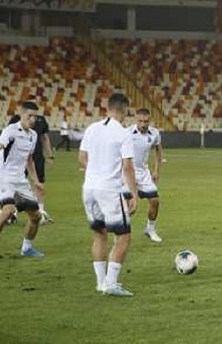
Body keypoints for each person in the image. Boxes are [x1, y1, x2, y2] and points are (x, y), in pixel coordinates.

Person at [79, 93, 138, 296]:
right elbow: (128, 167)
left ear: (108, 107)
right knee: (123, 236)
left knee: (100, 234)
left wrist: (96, 173)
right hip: (109, 190)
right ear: (125, 109)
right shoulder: (123, 133)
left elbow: (81, 158)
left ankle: (100, 283)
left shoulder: (92, 128)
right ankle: (111, 284)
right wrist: (134, 194)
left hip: (89, 189)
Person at [0, 101, 46, 262]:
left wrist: (36, 181)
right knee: (8, 211)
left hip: (21, 181)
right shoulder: (10, 131)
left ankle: (26, 248)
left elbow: (29, 160)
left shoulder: (33, 136)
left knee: (36, 216)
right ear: (21, 115)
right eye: (29, 116)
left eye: (35, 117)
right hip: (4, 178)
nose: (32, 119)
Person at [122, 109, 164, 243]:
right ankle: (123, 233)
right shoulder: (127, 133)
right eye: (140, 121)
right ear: (136, 119)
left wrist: (156, 170)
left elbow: (158, 152)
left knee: (155, 201)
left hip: (144, 173)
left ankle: (150, 230)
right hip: (128, 173)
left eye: (146, 121)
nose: (143, 124)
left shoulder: (155, 133)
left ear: (150, 120)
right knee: (131, 208)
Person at [9, 103, 54, 222]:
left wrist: (49, 155)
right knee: (15, 184)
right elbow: (9, 137)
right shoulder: (15, 119)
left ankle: (40, 212)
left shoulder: (41, 120)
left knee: (39, 183)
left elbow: (45, 137)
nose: (33, 118)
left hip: (37, 156)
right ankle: (13, 213)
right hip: (20, 157)